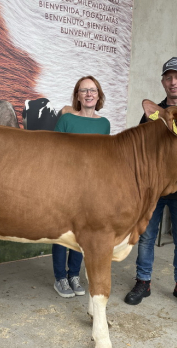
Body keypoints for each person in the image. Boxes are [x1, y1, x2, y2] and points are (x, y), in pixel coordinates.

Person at [124, 57, 177, 309]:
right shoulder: (152, 114)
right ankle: (143, 281)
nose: (173, 82)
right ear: (163, 81)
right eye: (168, 77)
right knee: (147, 236)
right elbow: (140, 152)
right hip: (153, 191)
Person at [52, 75, 111, 298]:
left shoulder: (104, 124)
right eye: (84, 90)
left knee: (82, 233)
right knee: (62, 232)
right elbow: (52, 152)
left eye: (93, 90)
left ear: (98, 95)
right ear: (77, 95)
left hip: (92, 188)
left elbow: (104, 158)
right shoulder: (66, 120)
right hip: (66, 185)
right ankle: (60, 278)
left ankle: (74, 275)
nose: (88, 94)